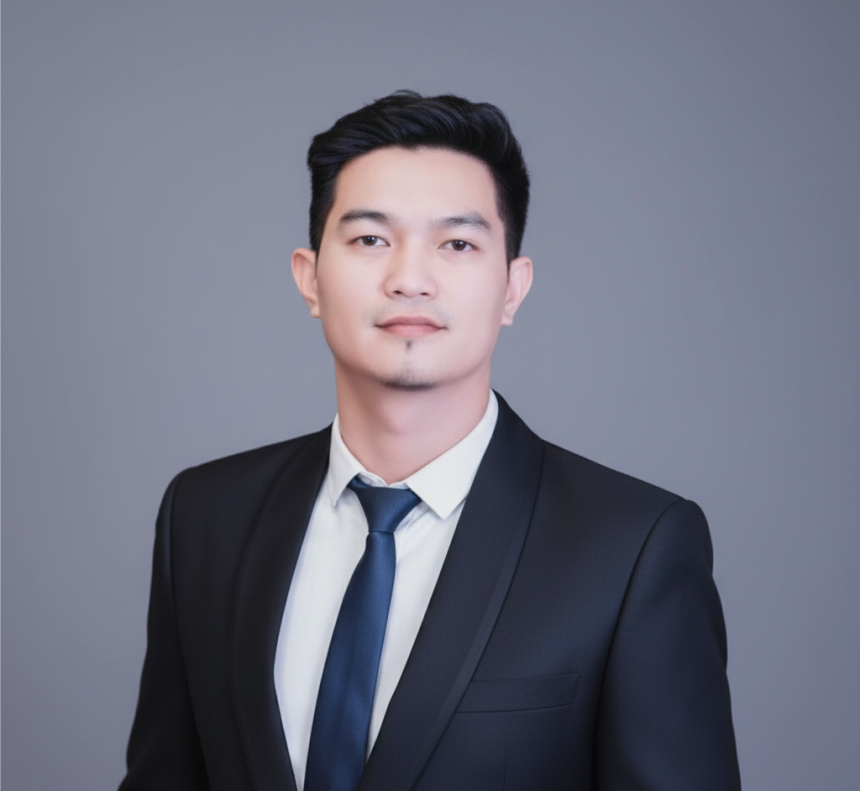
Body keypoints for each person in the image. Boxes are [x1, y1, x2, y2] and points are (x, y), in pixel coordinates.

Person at [119, 91, 741, 791]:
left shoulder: (632, 547)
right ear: (309, 277)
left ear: (512, 288)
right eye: (370, 239)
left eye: (457, 243)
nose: (410, 278)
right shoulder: (205, 516)